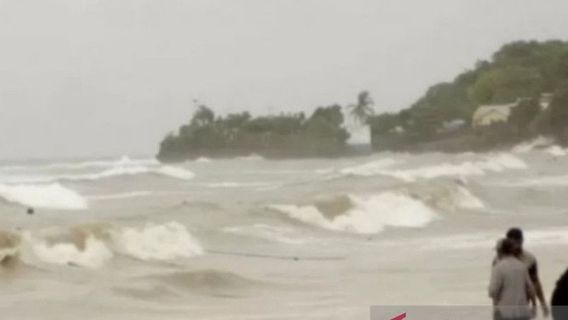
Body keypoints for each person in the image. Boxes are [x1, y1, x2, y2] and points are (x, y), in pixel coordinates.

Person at [506, 228, 550, 317]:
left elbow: (535, 282)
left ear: (522, 241)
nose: (515, 246)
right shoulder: (500, 260)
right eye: (512, 243)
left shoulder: (529, 259)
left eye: (517, 242)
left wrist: (543, 303)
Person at [489, 238, 535, 320]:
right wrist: (534, 306)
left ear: (499, 251)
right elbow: (530, 289)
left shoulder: (498, 267)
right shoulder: (522, 266)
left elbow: (493, 291)